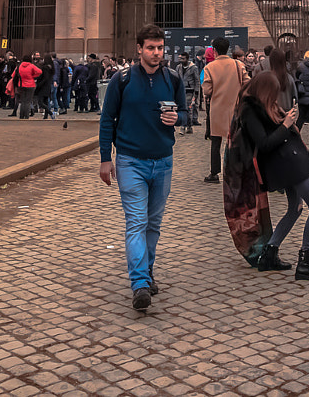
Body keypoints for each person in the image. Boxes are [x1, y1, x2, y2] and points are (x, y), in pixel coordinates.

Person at [98, 25, 188, 312]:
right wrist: (104, 158)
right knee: (136, 222)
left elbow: (187, 113)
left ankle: (147, 273)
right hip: (130, 161)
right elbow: (107, 119)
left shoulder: (172, 78)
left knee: (153, 224)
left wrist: (179, 118)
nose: (156, 53)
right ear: (139, 49)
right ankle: (139, 284)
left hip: (163, 161)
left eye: (160, 48)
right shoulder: (121, 80)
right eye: (151, 48)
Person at [233, 70, 309, 280]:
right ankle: (305, 261)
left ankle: (270, 253)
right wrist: (286, 125)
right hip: (287, 164)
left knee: (295, 208)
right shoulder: (250, 110)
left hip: (289, 160)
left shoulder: (261, 106)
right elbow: (264, 143)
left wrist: (286, 119)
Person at [201, 44, 248, 183]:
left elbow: (207, 90)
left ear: (214, 51)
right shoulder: (238, 65)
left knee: (215, 143)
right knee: (235, 141)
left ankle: (214, 173)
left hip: (217, 109)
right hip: (236, 108)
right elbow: (247, 83)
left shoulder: (210, 67)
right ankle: (236, 171)